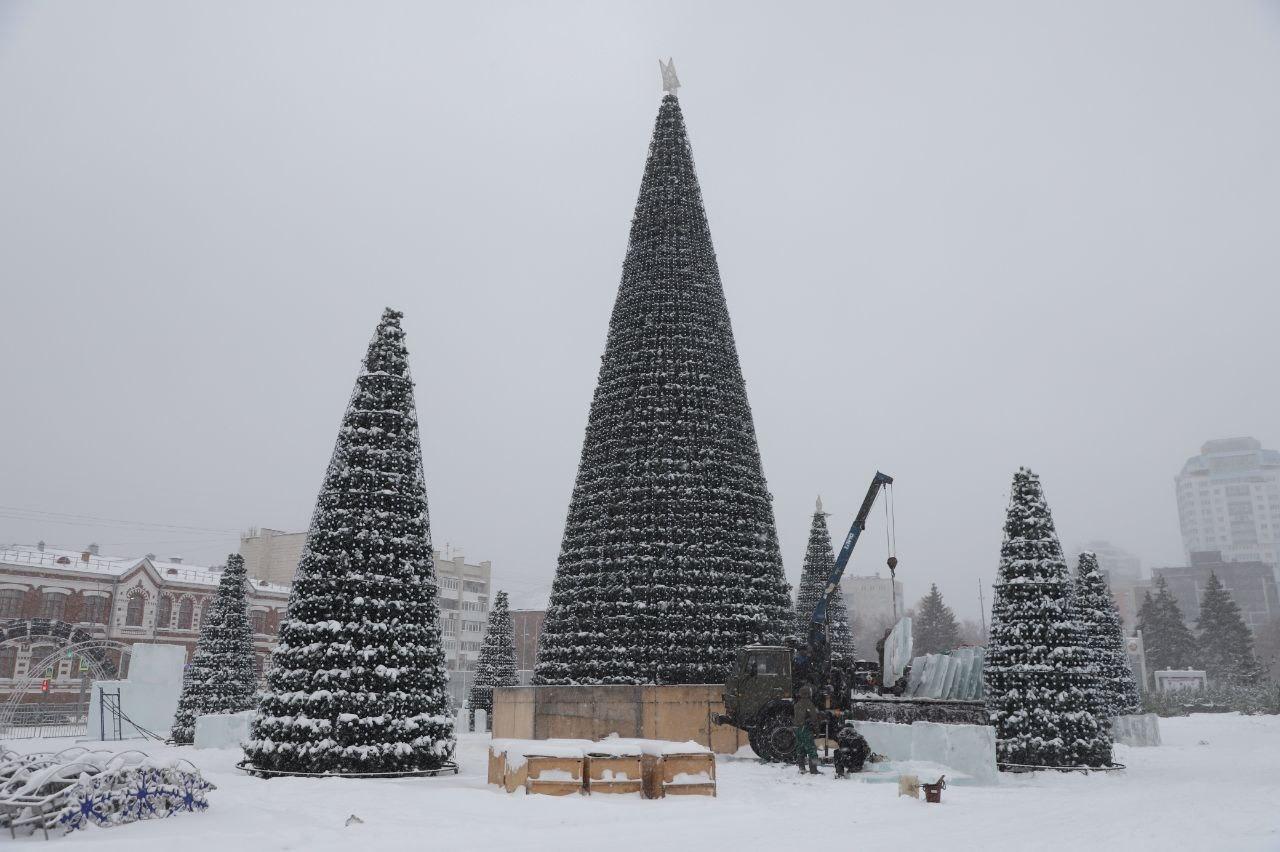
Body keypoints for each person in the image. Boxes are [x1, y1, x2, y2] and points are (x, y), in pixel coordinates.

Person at [793, 684, 823, 775]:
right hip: (806, 729)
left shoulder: (797, 704)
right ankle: (814, 770)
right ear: (809, 693)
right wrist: (817, 731)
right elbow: (814, 719)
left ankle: (801, 768)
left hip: (797, 729)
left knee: (800, 749)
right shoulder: (809, 704)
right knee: (812, 750)